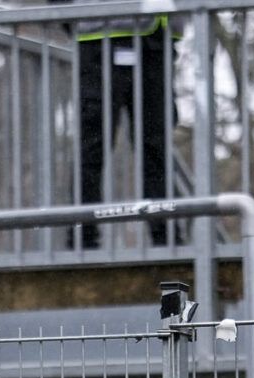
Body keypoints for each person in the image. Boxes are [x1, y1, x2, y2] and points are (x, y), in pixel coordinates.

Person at [72, 13, 172, 247]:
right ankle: (83, 238)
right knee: (93, 147)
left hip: (157, 40)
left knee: (155, 148)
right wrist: (71, 16)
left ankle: (165, 236)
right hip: (101, 38)